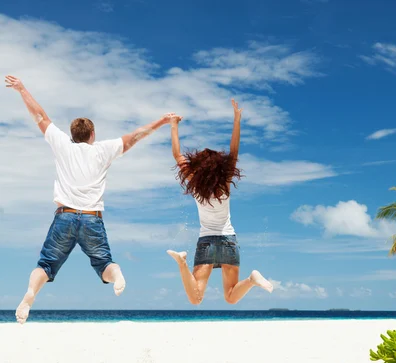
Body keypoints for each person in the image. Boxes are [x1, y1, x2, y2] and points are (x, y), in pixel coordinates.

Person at [5, 75, 178, 324]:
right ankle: (116, 274)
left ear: (73, 134)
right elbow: (136, 136)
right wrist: (163, 120)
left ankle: (31, 293)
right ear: (92, 134)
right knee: (104, 262)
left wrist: (22, 89)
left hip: (64, 216)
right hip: (91, 218)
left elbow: (40, 117)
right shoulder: (103, 149)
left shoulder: (62, 144)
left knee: (45, 265)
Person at [167, 99, 273, 305]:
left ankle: (182, 262)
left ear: (197, 166)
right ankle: (251, 280)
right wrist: (237, 119)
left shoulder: (195, 184)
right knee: (231, 296)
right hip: (228, 240)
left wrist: (174, 124)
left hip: (206, 241)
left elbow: (177, 154)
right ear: (219, 167)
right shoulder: (224, 183)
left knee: (196, 298)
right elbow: (234, 151)